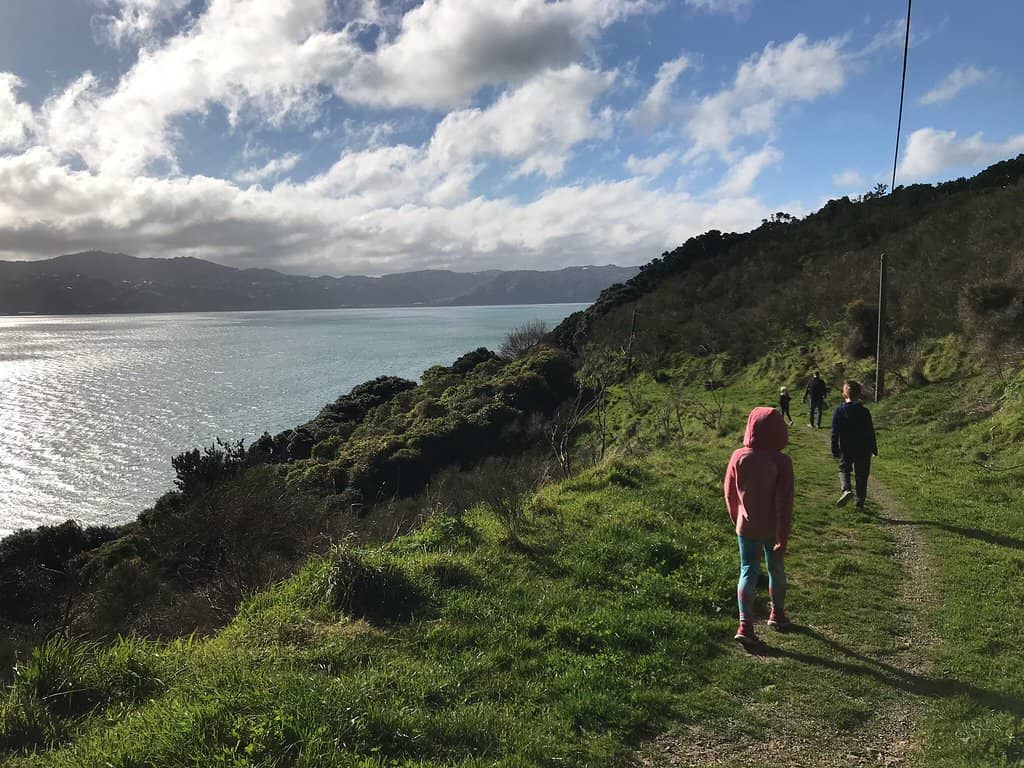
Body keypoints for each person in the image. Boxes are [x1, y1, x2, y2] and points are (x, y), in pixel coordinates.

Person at [724, 407, 794, 644]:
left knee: (748, 570)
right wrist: (782, 537)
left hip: (746, 526)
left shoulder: (738, 457)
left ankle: (745, 625)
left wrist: (737, 520)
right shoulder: (782, 462)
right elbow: (785, 503)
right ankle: (777, 614)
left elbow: (729, 494)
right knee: (776, 570)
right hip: (773, 529)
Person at [831, 380, 878, 509]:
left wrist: (834, 449)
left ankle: (846, 489)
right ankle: (859, 503)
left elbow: (835, 432)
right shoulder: (864, 412)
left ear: (844, 394)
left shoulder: (839, 411)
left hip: (846, 447)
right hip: (863, 448)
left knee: (844, 469)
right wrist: (873, 448)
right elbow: (870, 431)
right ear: (859, 394)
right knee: (862, 475)